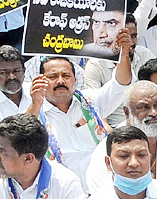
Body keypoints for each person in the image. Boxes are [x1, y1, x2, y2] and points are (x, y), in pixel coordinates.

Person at [27, 45, 133, 187]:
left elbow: (121, 84)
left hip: (101, 186)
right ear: (41, 81)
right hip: (60, 190)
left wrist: (123, 54)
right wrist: (35, 105)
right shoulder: (34, 109)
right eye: (53, 76)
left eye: (66, 76)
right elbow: (22, 138)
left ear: (75, 81)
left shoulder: (90, 102)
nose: (60, 81)